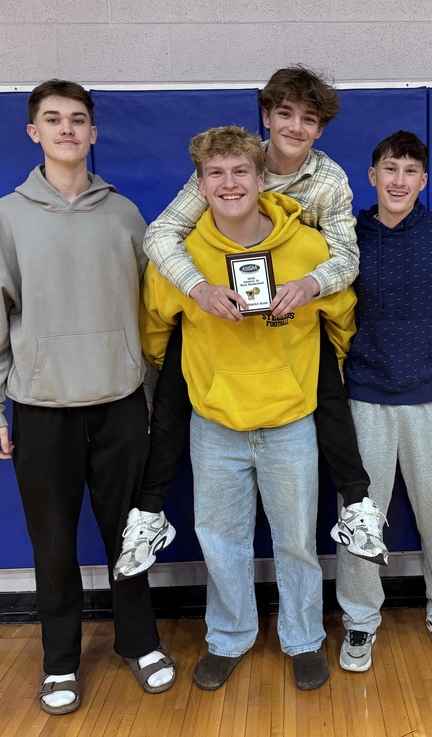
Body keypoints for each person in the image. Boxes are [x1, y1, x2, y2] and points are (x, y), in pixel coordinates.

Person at [113, 66, 386, 581]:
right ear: (267, 117)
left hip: (294, 316)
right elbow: (162, 235)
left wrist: (307, 285)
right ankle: (148, 514)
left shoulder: (328, 180)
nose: (295, 127)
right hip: (220, 310)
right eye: (285, 114)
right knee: (177, 382)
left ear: (321, 128)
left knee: (326, 379)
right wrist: (198, 287)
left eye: (309, 119)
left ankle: (357, 503)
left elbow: (346, 258)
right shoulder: (233, 164)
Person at [0, 80, 174, 716]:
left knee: (129, 539)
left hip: (119, 404)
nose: (65, 129)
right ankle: (60, 661)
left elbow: (153, 316)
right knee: (52, 544)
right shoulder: (9, 214)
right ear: (35, 133)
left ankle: (138, 643)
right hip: (41, 408)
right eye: (52, 120)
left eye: (77, 120)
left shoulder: (125, 214)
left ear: (93, 133)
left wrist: (155, 399)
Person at [139, 126, 356, 692]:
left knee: (296, 540)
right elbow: (156, 332)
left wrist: (300, 369)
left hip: (290, 423)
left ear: (262, 179)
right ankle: (229, 637)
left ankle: (304, 638)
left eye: (240, 172)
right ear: (201, 184)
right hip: (215, 426)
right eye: (217, 174)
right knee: (221, 539)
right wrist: (203, 381)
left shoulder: (308, 249)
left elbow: (342, 323)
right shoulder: (181, 256)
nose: (229, 183)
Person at [336, 131, 432, 673]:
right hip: (363, 396)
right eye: (390, 169)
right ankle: (360, 620)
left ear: (423, 181)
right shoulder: (346, 234)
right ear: (372, 176)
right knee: (360, 518)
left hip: (429, 396)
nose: (399, 180)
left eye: (411, 170)